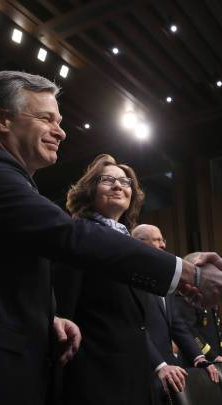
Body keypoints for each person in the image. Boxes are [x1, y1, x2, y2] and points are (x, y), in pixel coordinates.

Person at [0, 71, 222, 405]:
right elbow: (69, 235)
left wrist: (48, 319)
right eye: (46, 119)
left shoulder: (5, 181)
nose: (60, 132)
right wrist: (188, 273)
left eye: (59, 121)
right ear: (1, 119)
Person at [54, 155, 165, 404]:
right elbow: (63, 313)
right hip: (94, 383)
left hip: (135, 379)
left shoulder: (129, 244)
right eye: (107, 180)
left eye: (125, 182)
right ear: (89, 190)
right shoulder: (77, 237)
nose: (118, 186)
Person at [132, 224, 220, 403]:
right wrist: (160, 365)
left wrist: (199, 357)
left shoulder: (164, 280)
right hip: (145, 369)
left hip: (171, 370)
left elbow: (176, 325)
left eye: (163, 239)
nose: (163, 245)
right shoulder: (132, 279)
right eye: (156, 240)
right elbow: (135, 327)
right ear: (139, 243)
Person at [175, 252, 222, 371]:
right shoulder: (184, 295)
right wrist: (213, 356)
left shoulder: (209, 295)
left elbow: (219, 329)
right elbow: (190, 332)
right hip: (196, 362)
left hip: (217, 361)